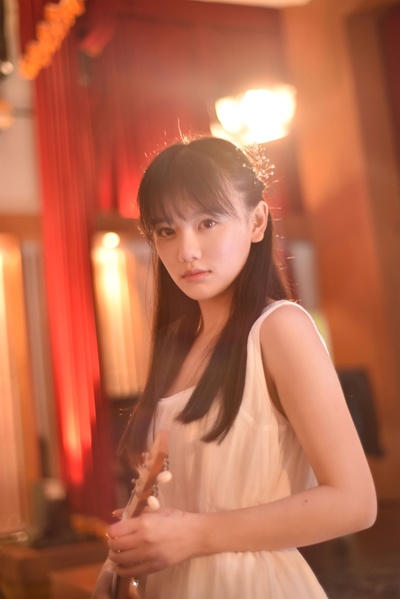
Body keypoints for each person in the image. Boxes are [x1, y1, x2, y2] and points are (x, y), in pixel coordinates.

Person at [92, 136, 377, 599]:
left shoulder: (279, 328)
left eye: (207, 222)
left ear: (257, 221)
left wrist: (194, 534)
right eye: (166, 231)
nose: (186, 250)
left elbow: (355, 502)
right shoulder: (178, 344)